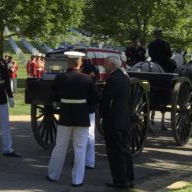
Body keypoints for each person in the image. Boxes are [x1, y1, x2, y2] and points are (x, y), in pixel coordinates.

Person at [46, 51, 99, 187]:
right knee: (80, 149)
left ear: (68, 62)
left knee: (60, 146)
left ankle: (53, 175)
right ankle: (77, 180)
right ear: (80, 62)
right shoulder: (87, 79)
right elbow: (95, 98)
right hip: (82, 117)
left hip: (65, 116)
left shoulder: (60, 78)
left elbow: (53, 96)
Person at [99, 55, 134, 189]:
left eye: (105, 64)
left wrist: (101, 113)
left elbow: (106, 101)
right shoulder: (124, 78)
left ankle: (120, 181)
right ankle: (129, 178)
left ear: (112, 65)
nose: (104, 66)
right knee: (125, 150)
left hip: (114, 120)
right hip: (124, 119)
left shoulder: (113, 80)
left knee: (115, 152)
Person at [80, 56, 100, 170]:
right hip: (86, 108)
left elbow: (95, 97)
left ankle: (88, 161)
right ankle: (85, 160)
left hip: (88, 108)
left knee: (88, 135)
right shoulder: (88, 71)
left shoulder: (91, 70)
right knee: (85, 136)